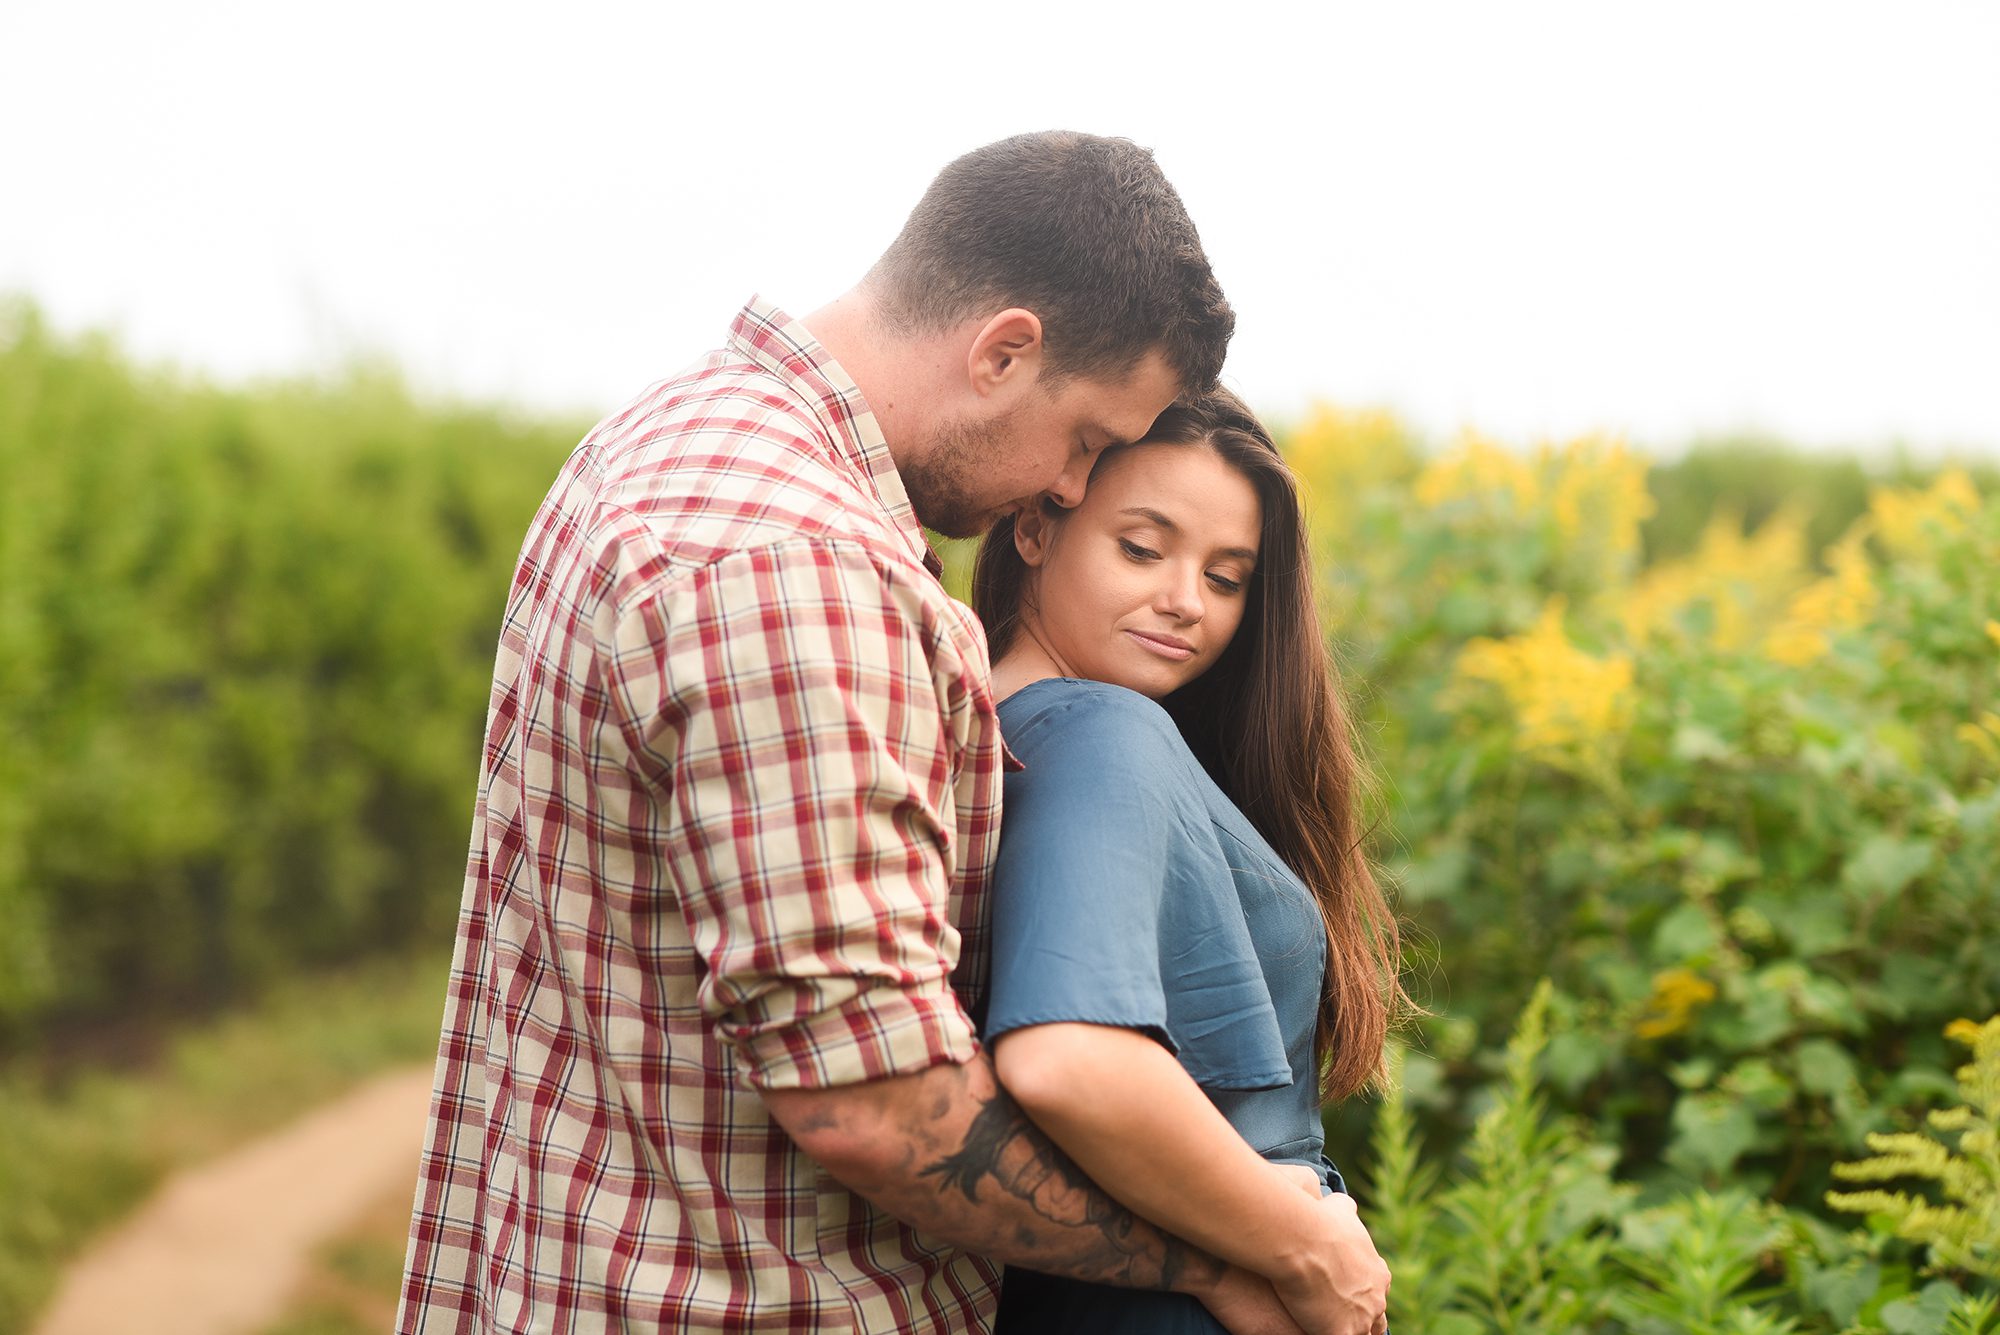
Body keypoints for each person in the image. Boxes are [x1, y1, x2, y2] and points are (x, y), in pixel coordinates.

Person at [396, 131, 1368, 1334]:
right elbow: (873, 1100)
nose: (1071, 489)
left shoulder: (667, 445)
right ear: (1004, 349)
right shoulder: (795, 564)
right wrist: (1234, 1258)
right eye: (1087, 444)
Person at [969, 389, 1409, 1334]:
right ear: (1036, 528)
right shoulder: (1096, 731)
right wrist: (1305, 1243)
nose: (1184, 601)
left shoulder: (1019, 734)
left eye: (1226, 576)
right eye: (1142, 547)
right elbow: (1070, 1059)